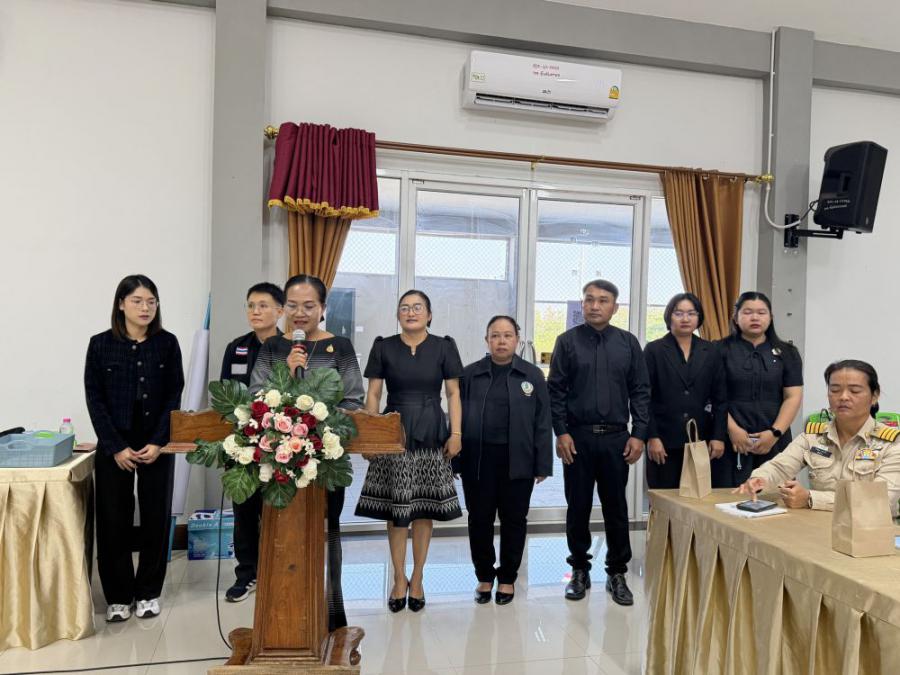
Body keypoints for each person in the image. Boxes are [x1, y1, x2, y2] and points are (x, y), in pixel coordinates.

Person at [248, 274, 364, 631]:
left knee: (327, 534)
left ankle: (331, 617)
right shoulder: (273, 347)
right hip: (279, 463)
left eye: (309, 306)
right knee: (279, 537)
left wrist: (319, 426)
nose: (300, 313)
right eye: (293, 306)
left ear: (323, 308)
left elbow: (354, 400)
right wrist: (288, 371)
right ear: (284, 309)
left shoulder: (340, 347)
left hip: (326, 461)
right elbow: (255, 397)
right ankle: (280, 622)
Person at [355, 290, 464, 613]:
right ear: (397, 315)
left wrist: (456, 433)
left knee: (424, 509)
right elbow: (374, 394)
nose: (411, 312)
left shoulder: (444, 346)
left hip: (431, 430)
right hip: (394, 431)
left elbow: (453, 394)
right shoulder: (383, 346)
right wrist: (372, 436)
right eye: (405, 308)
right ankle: (398, 578)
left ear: (429, 315)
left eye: (418, 308)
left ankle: (418, 577)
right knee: (397, 510)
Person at [84, 275, 184, 622]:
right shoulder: (100, 344)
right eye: (138, 301)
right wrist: (115, 447)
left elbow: (173, 394)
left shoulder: (167, 343)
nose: (145, 308)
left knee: (156, 516)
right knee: (113, 518)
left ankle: (148, 593)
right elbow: (95, 399)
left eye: (151, 301)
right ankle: (118, 596)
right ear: (121, 304)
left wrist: (158, 441)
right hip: (115, 442)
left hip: (156, 439)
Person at [548, 279, 650, 606]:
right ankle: (579, 570)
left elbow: (641, 391)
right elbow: (556, 391)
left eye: (603, 300)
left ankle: (617, 573)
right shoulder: (567, 342)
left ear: (614, 307)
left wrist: (639, 433)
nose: (594, 305)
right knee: (577, 506)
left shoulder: (628, 343)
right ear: (582, 304)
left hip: (617, 439)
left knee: (616, 507)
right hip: (577, 438)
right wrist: (561, 432)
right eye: (589, 299)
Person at [457, 316, 553, 605]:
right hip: (478, 460)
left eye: (507, 335)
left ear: (517, 341)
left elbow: (542, 421)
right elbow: (456, 418)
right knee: (479, 520)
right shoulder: (470, 374)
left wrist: (542, 463)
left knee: (514, 520)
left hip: (518, 460)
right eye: (495, 335)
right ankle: (485, 576)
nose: (501, 341)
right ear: (487, 340)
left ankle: (508, 577)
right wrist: (455, 459)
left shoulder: (532, 375)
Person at [734, 360, 900, 516]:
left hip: (868, 529)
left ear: (874, 396)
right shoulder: (813, 436)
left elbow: (880, 501)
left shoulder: (892, 443)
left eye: (854, 391)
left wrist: (810, 498)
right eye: (835, 390)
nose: (843, 397)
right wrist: (760, 479)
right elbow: (780, 467)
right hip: (817, 524)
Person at [221, 282, 285, 603]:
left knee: (278, 510)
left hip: (281, 443)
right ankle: (247, 573)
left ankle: (278, 572)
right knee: (244, 510)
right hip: (244, 442)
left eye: (263, 305)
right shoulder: (237, 348)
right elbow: (224, 394)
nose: (255, 311)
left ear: (280, 311)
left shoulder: (290, 347)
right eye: (251, 305)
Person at [713, 292, 804, 488]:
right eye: (747, 312)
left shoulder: (788, 353)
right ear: (735, 318)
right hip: (730, 439)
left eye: (761, 313)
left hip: (774, 439)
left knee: (775, 495)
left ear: (770, 318)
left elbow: (793, 396)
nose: (755, 317)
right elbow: (711, 396)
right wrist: (733, 430)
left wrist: (774, 433)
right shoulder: (718, 350)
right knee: (729, 497)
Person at [644, 293, 726, 488]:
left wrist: (718, 436)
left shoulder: (711, 351)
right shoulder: (654, 350)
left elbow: (721, 399)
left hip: (701, 440)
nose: (685, 318)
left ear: (699, 317)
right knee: (664, 498)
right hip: (663, 440)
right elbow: (644, 399)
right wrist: (652, 436)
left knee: (698, 499)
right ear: (669, 316)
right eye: (679, 313)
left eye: (691, 313)